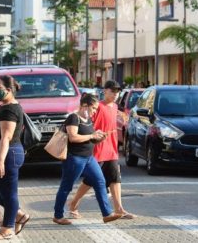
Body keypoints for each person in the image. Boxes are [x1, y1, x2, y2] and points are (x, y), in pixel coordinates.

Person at [68, 80, 137, 220]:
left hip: (112, 149)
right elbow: (86, 121)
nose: (115, 95)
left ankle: (119, 209)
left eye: (117, 92)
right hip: (97, 148)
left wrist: (123, 117)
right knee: (90, 180)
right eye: (112, 91)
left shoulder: (115, 106)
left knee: (115, 178)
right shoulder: (97, 106)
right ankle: (73, 204)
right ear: (105, 91)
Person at [53, 94, 122, 225]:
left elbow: (89, 138)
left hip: (89, 158)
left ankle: (107, 214)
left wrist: (98, 138)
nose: (95, 111)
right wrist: (92, 135)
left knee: (100, 180)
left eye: (96, 109)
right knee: (66, 187)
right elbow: (73, 137)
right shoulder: (73, 118)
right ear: (85, 106)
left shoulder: (88, 119)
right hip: (74, 158)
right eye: (94, 108)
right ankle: (58, 215)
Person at [0, 75, 30, 240]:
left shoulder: (10, 109)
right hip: (1, 152)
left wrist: (0, 161)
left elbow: (7, 137)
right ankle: (18, 214)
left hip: (8, 154)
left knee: (8, 192)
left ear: (9, 90)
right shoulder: (4, 106)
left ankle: (7, 228)